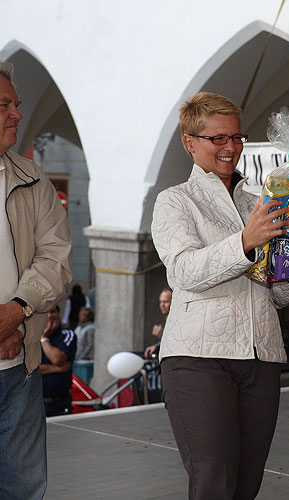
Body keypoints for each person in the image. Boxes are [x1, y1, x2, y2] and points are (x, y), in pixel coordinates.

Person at [151, 91, 289, 500]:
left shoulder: (260, 201)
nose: (230, 147)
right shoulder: (175, 200)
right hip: (198, 358)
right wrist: (245, 242)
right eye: (218, 138)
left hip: (262, 357)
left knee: (246, 486)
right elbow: (183, 271)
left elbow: (278, 294)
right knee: (215, 483)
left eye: (237, 138)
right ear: (190, 142)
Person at [0, 60, 73, 499]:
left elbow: (56, 257)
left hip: (19, 370)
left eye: (17, 104)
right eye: (4, 104)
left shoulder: (33, 180)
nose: (18, 115)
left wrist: (16, 311)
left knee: (24, 490)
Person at [40, 305, 77, 417]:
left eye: (53, 312)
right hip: (36, 403)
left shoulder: (67, 335)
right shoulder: (31, 338)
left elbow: (57, 358)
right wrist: (56, 369)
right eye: (46, 312)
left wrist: (44, 339)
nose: (50, 315)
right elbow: (30, 369)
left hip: (60, 404)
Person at [144, 287, 171, 358]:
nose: (162, 305)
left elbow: (172, 341)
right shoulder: (166, 318)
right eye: (160, 302)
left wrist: (161, 336)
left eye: (165, 302)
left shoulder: (175, 319)